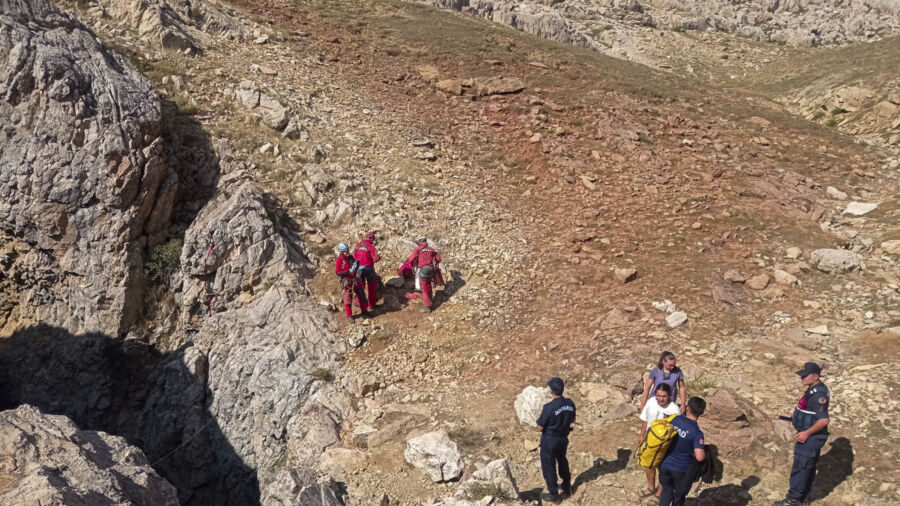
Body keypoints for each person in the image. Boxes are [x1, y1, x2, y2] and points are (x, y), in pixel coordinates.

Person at [773, 362, 830, 506]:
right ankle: (803, 498)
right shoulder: (813, 389)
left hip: (811, 438)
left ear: (816, 376)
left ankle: (793, 500)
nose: (802, 378)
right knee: (807, 466)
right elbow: (809, 410)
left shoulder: (819, 395)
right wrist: (796, 414)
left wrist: (806, 433)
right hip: (809, 434)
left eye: (805, 376)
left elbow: (823, 420)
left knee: (801, 467)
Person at [658, 396, 706, 506]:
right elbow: (699, 457)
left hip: (664, 465)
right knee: (679, 496)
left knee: (666, 491)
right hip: (681, 469)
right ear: (701, 413)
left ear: (688, 408)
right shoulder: (697, 433)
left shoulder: (674, 419)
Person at [638, 383, 681, 499]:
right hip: (649, 440)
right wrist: (642, 435)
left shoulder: (674, 409)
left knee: (662, 468)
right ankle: (651, 487)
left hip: (665, 444)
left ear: (669, 396)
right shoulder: (651, 402)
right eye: (659, 396)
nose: (661, 399)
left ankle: (659, 494)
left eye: (664, 396)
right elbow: (645, 419)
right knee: (648, 465)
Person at [536, 377, 576, 503]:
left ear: (551, 391)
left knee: (549, 465)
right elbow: (573, 420)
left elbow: (540, 427)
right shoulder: (570, 403)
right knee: (562, 460)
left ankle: (554, 494)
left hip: (550, 440)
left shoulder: (549, 407)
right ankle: (566, 486)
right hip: (563, 438)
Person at [405, 236, 443, 313]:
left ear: (419, 242)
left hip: (423, 270)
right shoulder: (431, 249)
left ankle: (427, 307)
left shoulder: (417, 249)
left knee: (424, 288)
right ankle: (431, 300)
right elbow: (439, 259)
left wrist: (413, 265)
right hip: (431, 269)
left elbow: (411, 259)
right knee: (429, 285)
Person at [334, 242, 368, 323]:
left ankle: (364, 311)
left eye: (348, 250)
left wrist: (356, 266)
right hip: (346, 281)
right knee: (348, 299)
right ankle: (349, 316)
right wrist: (347, 271)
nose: (347, 252)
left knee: (361, 294)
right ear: (341, 252)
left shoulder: (351, 258)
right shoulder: (339, 260)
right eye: (345, 251)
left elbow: (354, 268)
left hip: (354, 280)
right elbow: (338, 272)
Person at [353, 231, 381, 312]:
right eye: (373, 239)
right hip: (368, 269)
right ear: (371, 238)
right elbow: (375, 259)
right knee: (371, 286)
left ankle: (359, 302)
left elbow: (354, 258)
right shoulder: (370, 246)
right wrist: (379, 257)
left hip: (358, 269)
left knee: (360, 286)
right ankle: (371, 304)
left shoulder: (358, 246)